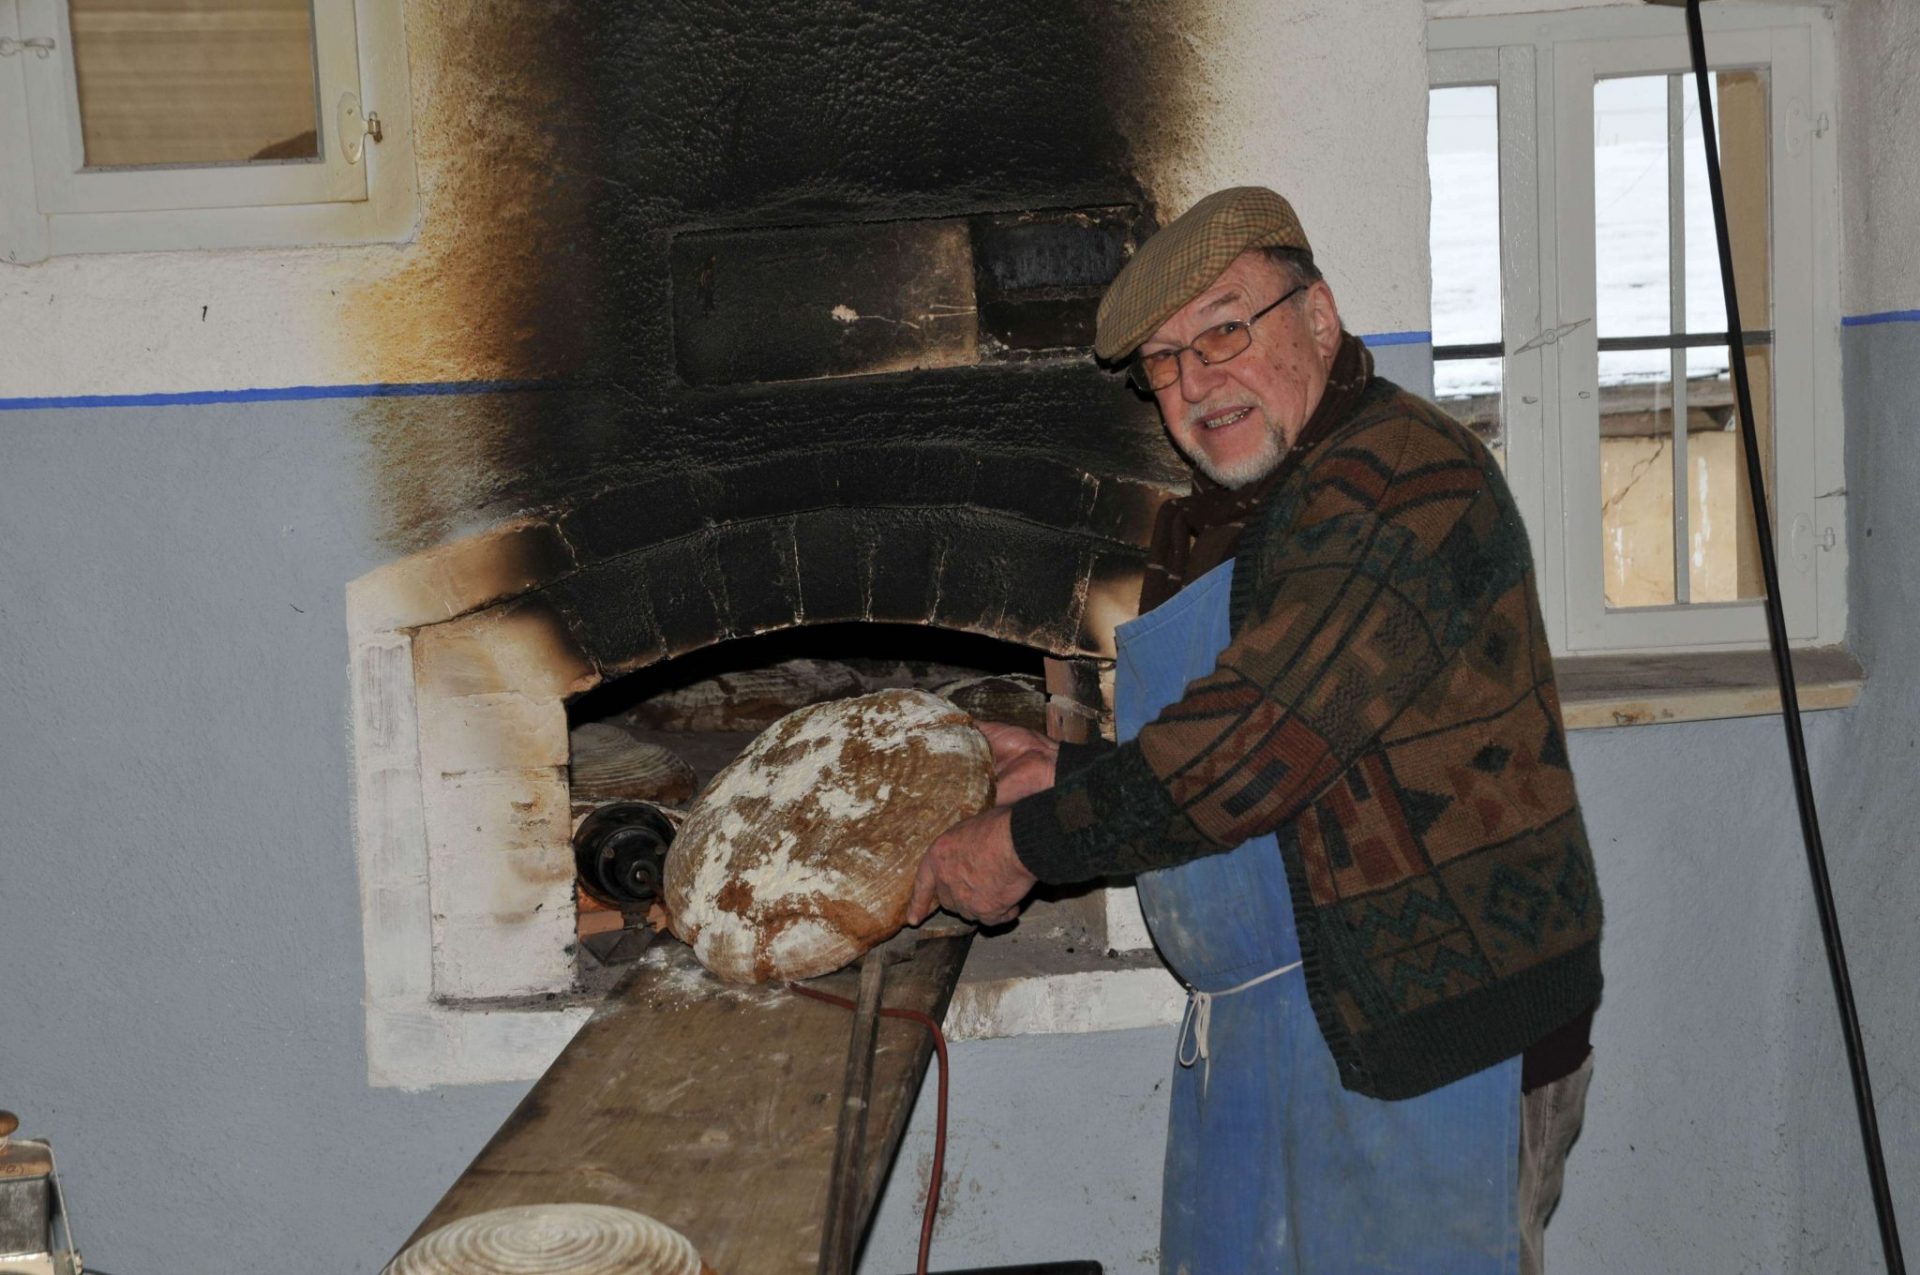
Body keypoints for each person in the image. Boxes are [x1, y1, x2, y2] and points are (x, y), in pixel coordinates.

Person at [908, 186, 1603, 1274]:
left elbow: (1254, 750)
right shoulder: (1286, 491)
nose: (1196, 382)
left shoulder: (1396, 481)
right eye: (1165, 361)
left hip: (1440, 1040)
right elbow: (1303, 750)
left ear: (1318, 318)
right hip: (1312, 1021)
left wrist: (1022, 844)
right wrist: (1071, 770)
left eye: (1225, 330)